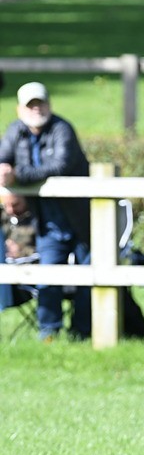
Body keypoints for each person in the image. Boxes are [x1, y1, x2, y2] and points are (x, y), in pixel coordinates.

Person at [0, 82, 91, 340]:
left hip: (81, 220)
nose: (36, 109)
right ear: (19, 109)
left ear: (49, 105)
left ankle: (82, 333)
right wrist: (4, 167)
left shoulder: (62, 129)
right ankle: (49, 334)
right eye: (30, 105)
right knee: (47, 277)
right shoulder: (16, 130)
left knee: (87, 278)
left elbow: (59, 165)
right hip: (48, 222)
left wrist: (17, 176)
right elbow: (3, 155)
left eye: (40, 103)